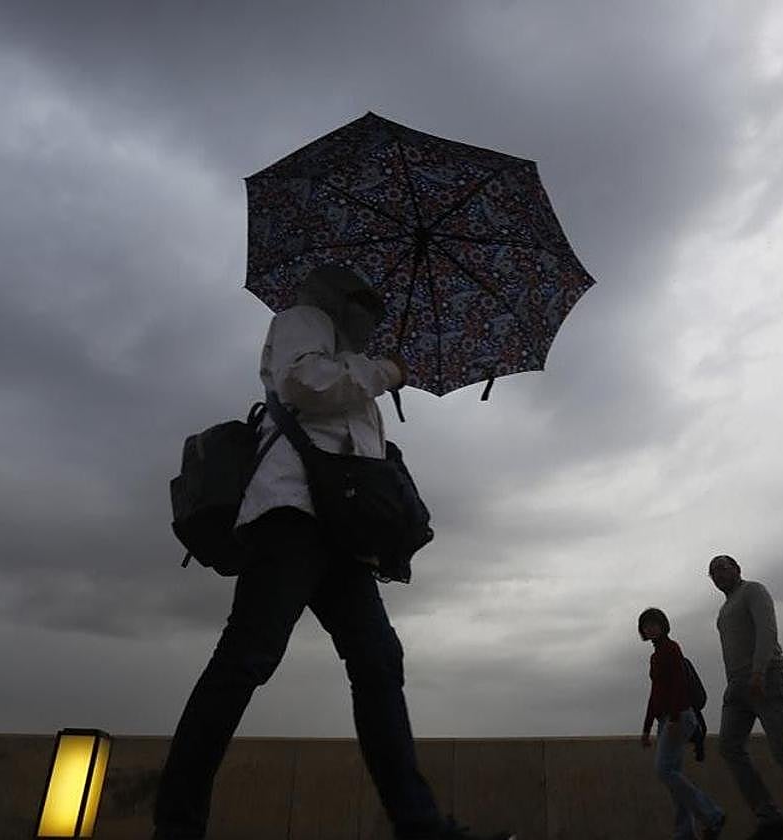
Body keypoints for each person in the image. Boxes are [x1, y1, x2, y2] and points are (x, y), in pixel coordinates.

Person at [153, 263, 514, 840]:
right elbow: (304, 384)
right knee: (247, 658)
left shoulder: (348, 350)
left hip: (341, 531)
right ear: (344, 291)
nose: (375, 305)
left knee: (377, 662)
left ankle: (419, 825)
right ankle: (176, 824)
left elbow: (351, 441)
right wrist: (384, 370)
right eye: (367, 294)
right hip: (292, 514)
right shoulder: (302, 319)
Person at [708, 554, 783, 840]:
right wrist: (735, 683)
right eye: (712, 572)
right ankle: (770, 818)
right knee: (729, 746)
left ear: (737, 569)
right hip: (737, 686)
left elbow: (767, 631)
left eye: (723, 568)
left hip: (765, 677)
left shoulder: (754, 591)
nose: (718, 575)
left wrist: (759, 671)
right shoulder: (724, 611)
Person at [639, 607, 726, 840]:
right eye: (646, 625)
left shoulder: (671, 649)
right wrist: (647, 728)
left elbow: (678, 684)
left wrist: (675, 718)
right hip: (666, 719)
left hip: (678, 717)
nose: (651, 628)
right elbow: (655, 694)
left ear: (663, 625)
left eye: (654, 623)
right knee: (674, 774)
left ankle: (712, 814)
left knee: (664, 770)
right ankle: (685, 832)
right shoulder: (655, 656)